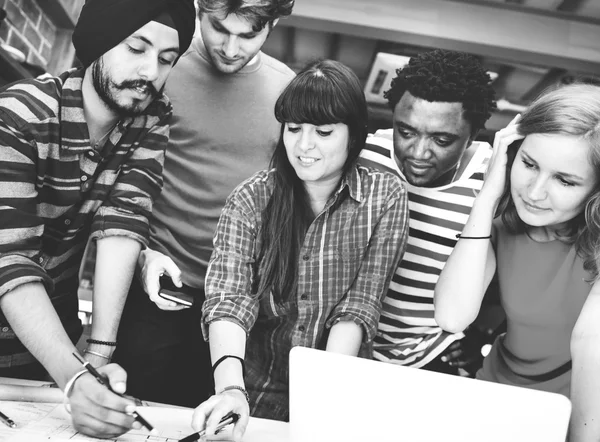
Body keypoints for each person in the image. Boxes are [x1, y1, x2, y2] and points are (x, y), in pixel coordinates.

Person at [0, 0, 195, 437]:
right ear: (100, 41)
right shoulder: (19, 114)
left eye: (167, 59)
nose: (151, 73)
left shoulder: (150, 117)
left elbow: (124, 222)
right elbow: (9, 258)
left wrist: (97, 362)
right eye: (136, 48)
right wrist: (76, 377)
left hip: (50, 351)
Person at [192, 59, 409, 440]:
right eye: (293, 129)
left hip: (338, 390)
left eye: (323, 132)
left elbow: (359, 305)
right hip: (254, 387)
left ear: (354, 136)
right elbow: (229, 299)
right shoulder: (250, 198)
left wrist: (320, 399)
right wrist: (230, 389)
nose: (304, 146)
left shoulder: (384, 198)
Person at [113, 0, 296, 408]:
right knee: (135, 414)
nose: (230, 48)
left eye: (248, 35)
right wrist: (141, 253)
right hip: (155, 287)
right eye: (219, 28)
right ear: (199, 11)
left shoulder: (287, 91)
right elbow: (119, 175)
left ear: (274, 24)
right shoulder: (161, 70)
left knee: (210, 420)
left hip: (237, 301)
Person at [434, 83, 600, 442]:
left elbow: (591, 341)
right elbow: (451, 315)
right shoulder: (501, 225)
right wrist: (488, 195)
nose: (535, 192)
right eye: (528, 164)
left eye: (565, 180)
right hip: (495, 389)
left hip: (573, 409)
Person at [359, 49, 498, 374]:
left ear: (472, 135)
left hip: (432, 356)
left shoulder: (492, 180)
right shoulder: (364, 156)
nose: (418, 152)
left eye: (442, 139)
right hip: (344, 343)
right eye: (406, 132)